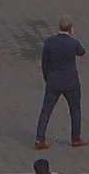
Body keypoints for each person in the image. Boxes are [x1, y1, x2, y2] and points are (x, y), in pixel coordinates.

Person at [34, 15, 84, 151]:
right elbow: (82, 52)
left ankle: (39, 138)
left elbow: (45, 63)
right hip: (70, 82)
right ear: (71, 28)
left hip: (53, 81)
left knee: (46, 110)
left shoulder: (49, 42)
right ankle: (75, 138)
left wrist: (47, 78)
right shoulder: (73, 43)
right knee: (75, 109)